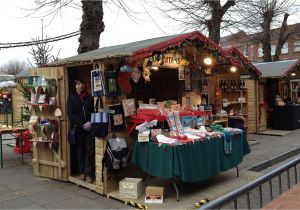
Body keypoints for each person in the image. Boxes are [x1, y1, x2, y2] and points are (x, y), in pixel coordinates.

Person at [67, 79, 95, 183]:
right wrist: (81, 124)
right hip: (78, 128)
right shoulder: (71, 98)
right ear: (75, 86)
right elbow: (71, 114)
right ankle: (82, 172)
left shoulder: (90, 97)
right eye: (78, 84)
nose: (80, 86)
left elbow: (93, 111)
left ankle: (88, 174)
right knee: (80, 151)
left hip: (89, 128)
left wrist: (90, 122)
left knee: (89, 151)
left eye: (82, 84)